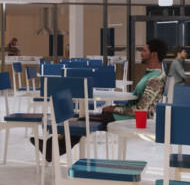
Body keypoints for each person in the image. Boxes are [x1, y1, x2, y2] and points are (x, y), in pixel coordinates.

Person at [31, 38, 169, 160]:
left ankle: (50, 149)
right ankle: (50, 148)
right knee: (82, 120)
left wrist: (114, 108)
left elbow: (141, 109)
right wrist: (114, 108)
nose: (141, 53)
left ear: (154, 54)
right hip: (131, 116)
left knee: (82, 121)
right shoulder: (152, 74)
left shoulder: (155, 79)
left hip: (137, 120)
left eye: (144, 50)